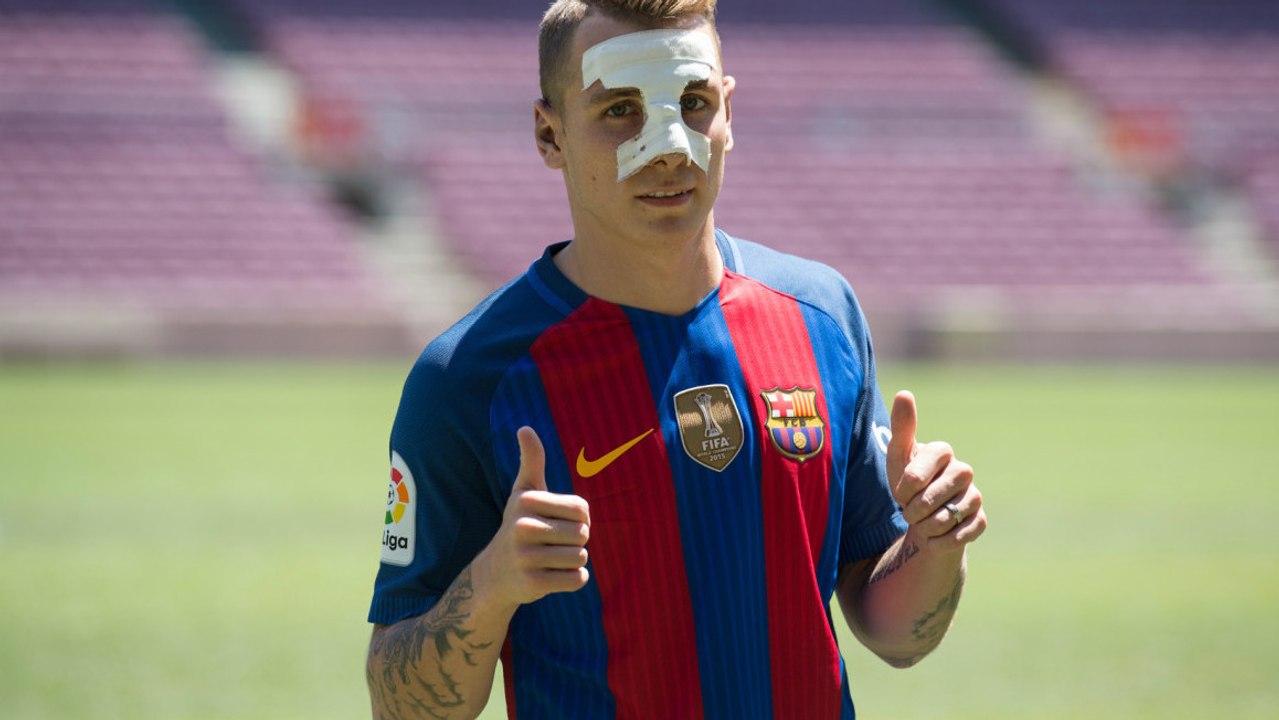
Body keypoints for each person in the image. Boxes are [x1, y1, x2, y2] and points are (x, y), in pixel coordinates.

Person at [365, 1, 987, 718]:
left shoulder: (822, 318)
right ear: (549, 133)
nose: (666, 147)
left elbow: (895, 633)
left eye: (691, 103)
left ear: (728, 111)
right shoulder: (467, 379)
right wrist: (492, 585)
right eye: (619, 111)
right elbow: (397, 703)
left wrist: (936, 542)